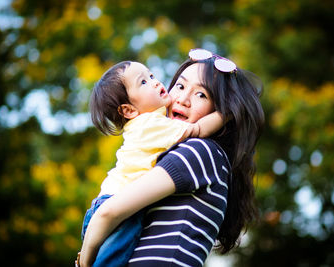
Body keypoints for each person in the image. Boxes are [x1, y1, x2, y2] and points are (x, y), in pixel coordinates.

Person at [79, 48, 265, 267]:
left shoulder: (199, 152)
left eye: (201, 95)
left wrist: (83, 262)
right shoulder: (172, 144)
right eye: (180, 85)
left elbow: (107, 213)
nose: (184, 99)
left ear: (218, 109)